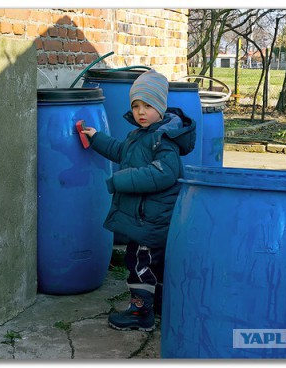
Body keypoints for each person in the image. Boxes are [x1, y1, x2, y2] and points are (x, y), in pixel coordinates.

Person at [81, 69, 196, 331]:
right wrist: (96, 138)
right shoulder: (138, 135)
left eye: (148, 105)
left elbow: (164, 174)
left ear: (161, 107)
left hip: (152, 220)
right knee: (152, 263)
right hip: (145, 219)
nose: (141, 112)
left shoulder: (163, 139)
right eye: (136, 106)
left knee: (139, 264)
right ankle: (158, 306)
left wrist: (120, 180)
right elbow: (120, 151)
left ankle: (140, 312)